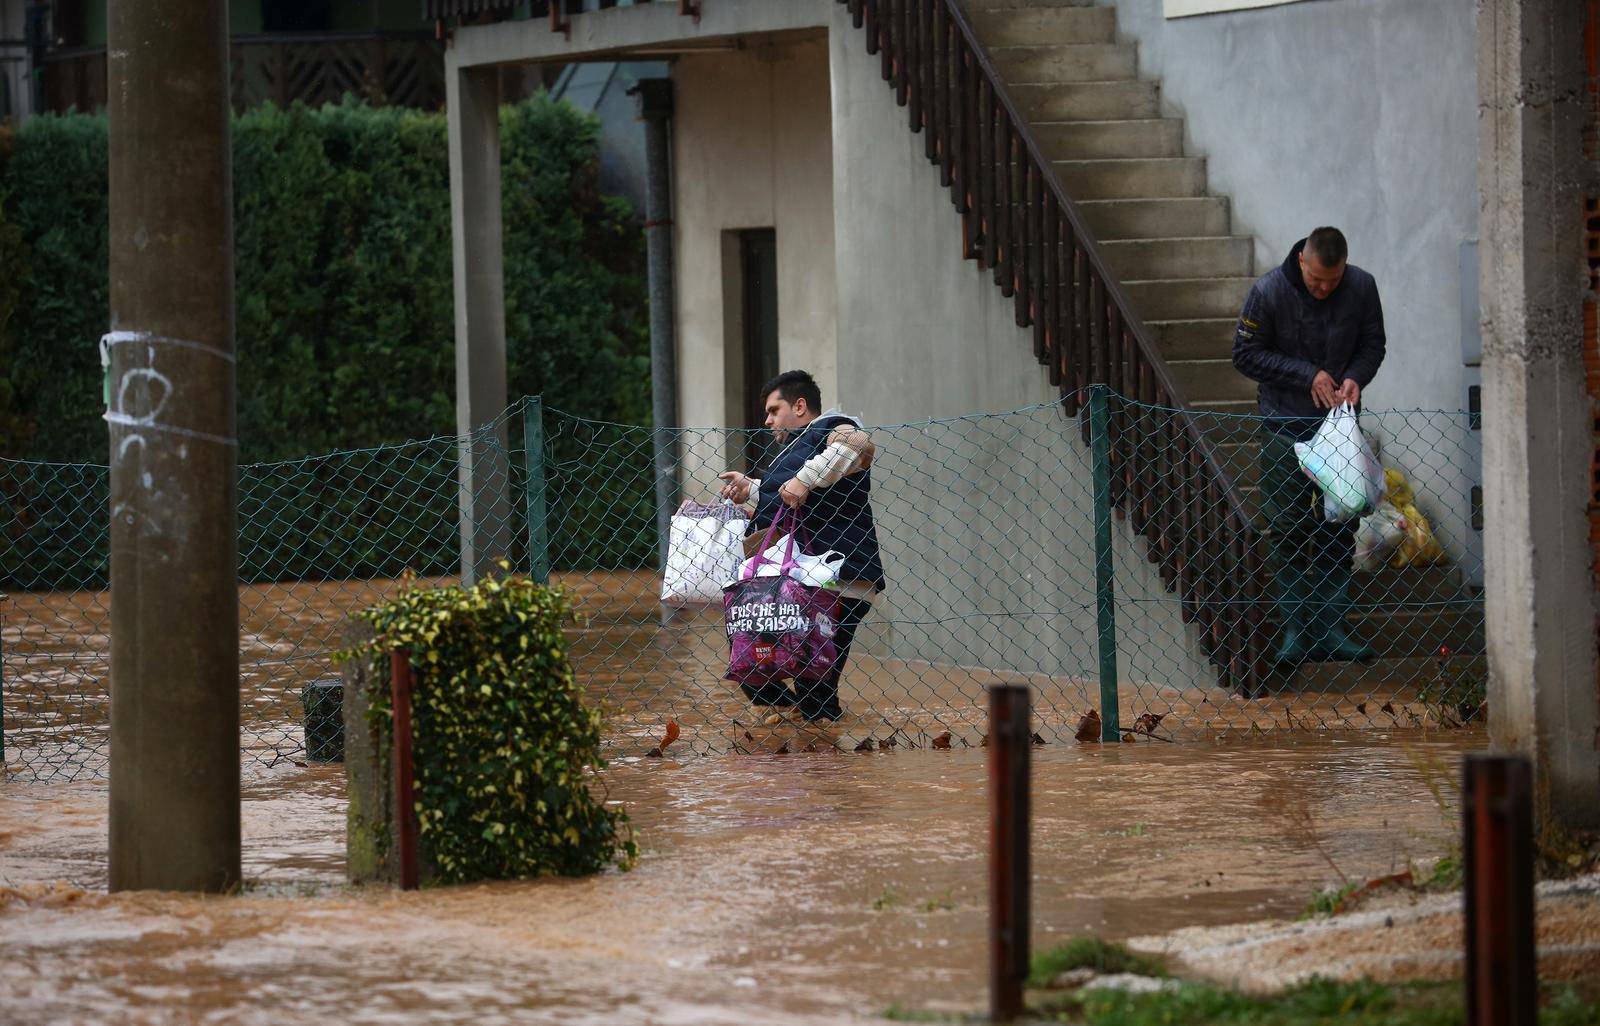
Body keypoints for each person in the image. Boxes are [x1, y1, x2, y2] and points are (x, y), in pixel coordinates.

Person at [1231, 226, 1385, 668]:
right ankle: (1295, 632)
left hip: (1340, 430)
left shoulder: (1361, 287)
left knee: (1341, 528)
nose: (1323, 288)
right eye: (1317, 279)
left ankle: (1332, 629)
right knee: (1288, 529)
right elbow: (1244, 354)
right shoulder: (1269, 292)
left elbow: (1374, 343)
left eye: (1332, 281)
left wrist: (1356, 375)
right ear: (1302, 259)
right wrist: (1307, 374)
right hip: (1284, 426)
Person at [718, 370, 886, 723]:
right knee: (754, 665)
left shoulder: (833, 426)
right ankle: (805, 740)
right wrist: (749, 489)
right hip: (800, 582)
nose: (767, 420)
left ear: (799, 405)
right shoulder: (794, 450)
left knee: (814, 688)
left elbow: (858, 446)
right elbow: (784, 495)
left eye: (773, 410)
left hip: (839, 577)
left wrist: (803, 480)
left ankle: (821, 756)